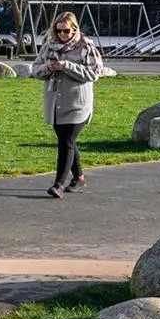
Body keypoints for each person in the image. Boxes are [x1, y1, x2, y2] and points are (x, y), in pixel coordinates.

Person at [30, 11, 105, 198]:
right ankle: (79, 177)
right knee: (66, 141)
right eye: (58, 31)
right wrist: (48, 67)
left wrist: (67, 66)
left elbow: (95, 73)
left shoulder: (85, 46)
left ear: (74, 29)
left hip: (78, 103)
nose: (62, 35)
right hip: (55, 103)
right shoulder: (49, 46)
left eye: (66, 31)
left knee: (67, 141)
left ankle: (59, 184)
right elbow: (35, 70)